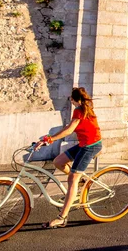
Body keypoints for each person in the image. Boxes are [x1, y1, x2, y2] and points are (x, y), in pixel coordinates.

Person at [36, 87, 102, 229]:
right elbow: (68, 127)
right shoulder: (84, 107)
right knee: (58, 162)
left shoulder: (80, 109)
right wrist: (50, 138)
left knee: (72, 179)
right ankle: (81, 181)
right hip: (84, 144)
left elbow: (69, 130)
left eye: (71, 99)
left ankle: (62, 217)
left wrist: (50, 139)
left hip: (91, 146)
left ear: (74, 100)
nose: (70, 101)